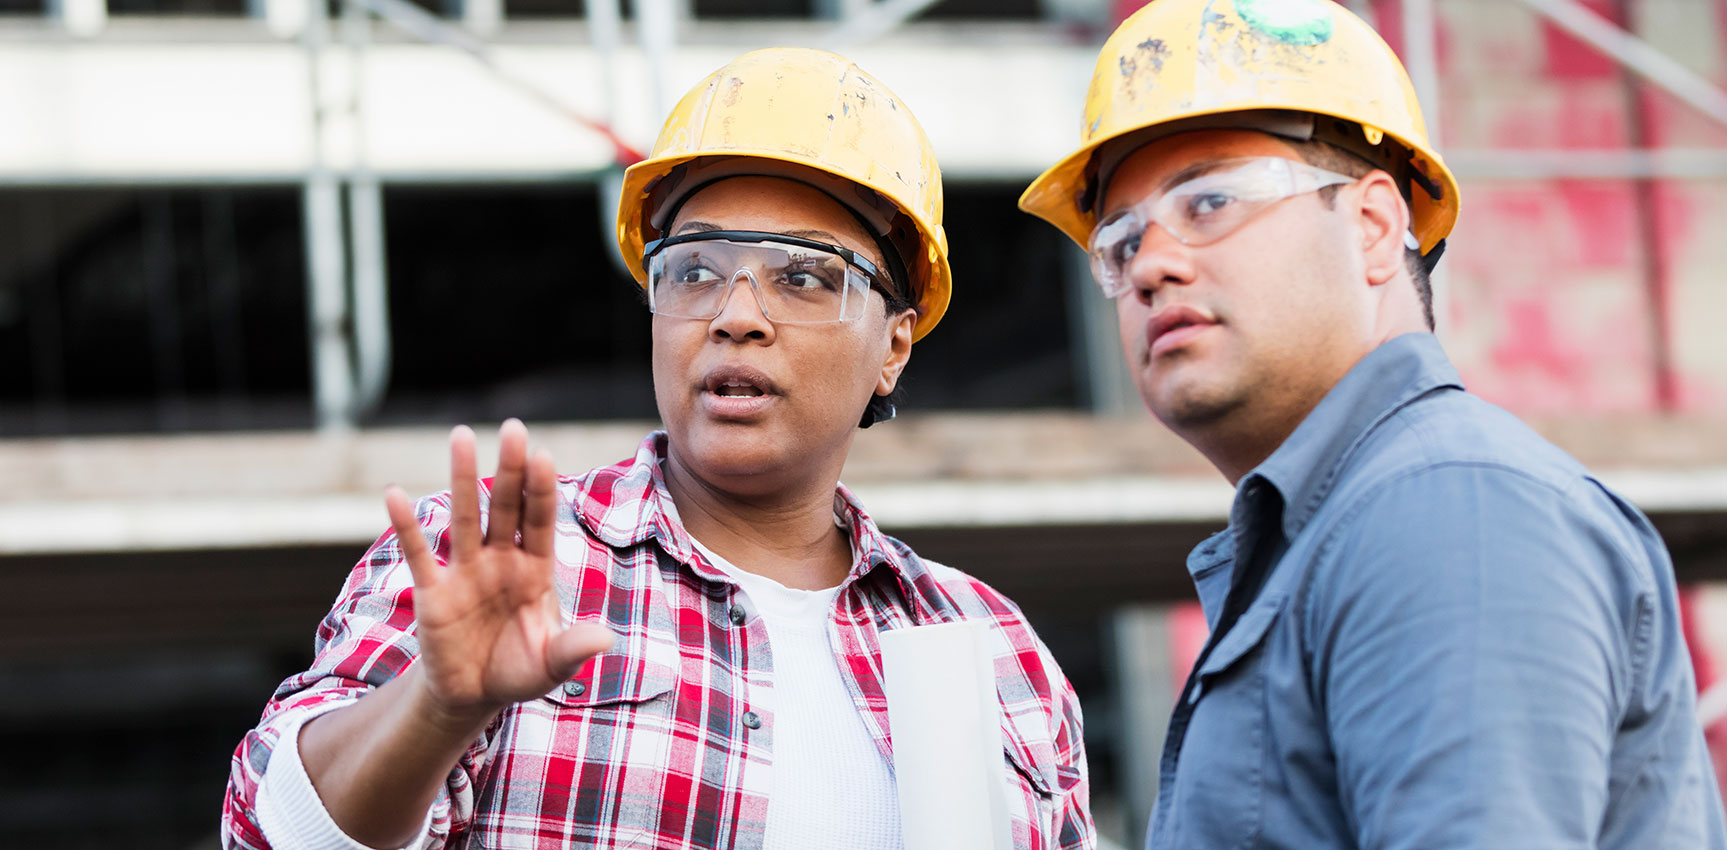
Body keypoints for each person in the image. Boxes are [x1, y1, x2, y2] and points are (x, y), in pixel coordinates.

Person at [222, 47, 1092, 850]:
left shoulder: (994, 652)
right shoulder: (499, 553)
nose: (735, 315)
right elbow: (265, 831)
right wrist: (434, 707)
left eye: (800, 276)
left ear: (893, 347)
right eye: (692, 270)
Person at [1019, 0, 1727, 848]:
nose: (1151, 267)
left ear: (1373, 228)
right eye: (1121, 242)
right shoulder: (1349, 531)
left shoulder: (1448, 513)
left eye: (1209, 202)